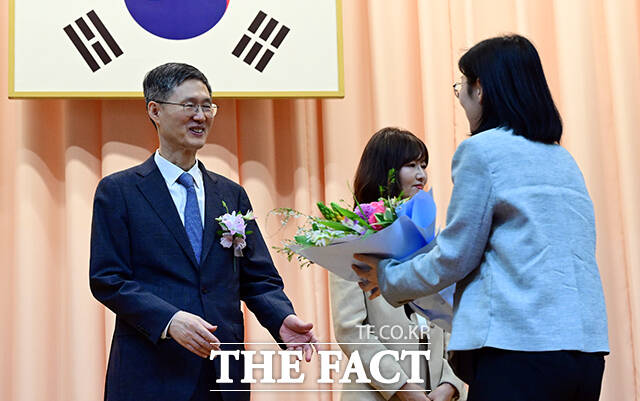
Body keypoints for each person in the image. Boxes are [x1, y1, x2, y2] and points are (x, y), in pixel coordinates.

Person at [353, 35, 609, 401]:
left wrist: (387, 278)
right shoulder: (563, 159)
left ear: (481, 89)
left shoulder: (481, 151)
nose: (460, 98)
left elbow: (455, 255)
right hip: (586, 352)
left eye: (462, 87)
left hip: (518, 351)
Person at [89, 62, 317, 401]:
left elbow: (258, 278)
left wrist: (281, 318)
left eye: (207, 106)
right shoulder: (119, 191)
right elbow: (108, 279)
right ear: (155, 111)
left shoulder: (230, 194)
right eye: (189, 105)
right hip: (151, 372)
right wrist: (170, 320)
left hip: (223, 374)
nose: (201, 116)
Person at [330, 127, 466, 401]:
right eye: (411, 165)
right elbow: (350, 329)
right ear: (386, 170)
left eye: (423, 165)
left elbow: (452, 317)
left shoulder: (432, 237)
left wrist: (451, 383)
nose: (421, 174)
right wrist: (402, 388)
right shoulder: (352, 238)